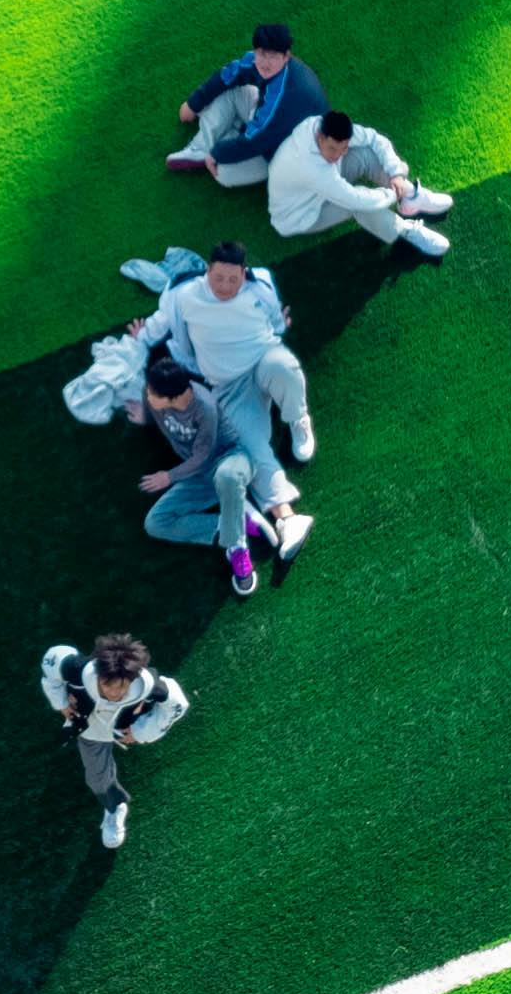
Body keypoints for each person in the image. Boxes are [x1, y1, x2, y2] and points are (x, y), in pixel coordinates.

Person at [134, 354, 305, 595]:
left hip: (231, 460)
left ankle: (237, 547)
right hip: (199, 476)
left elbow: (202, 456)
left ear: (171, 397)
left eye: (153, 394)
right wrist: (144, 414)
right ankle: (236, 520)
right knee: (155, 522)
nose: (148, 395)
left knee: (227, 477)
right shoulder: (154, 398)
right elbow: (195, 462)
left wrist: (169, 476)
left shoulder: (205, 408)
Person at [147, 240, 320, 468]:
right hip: (230, 383)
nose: (225, 287)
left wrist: (279, 325)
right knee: (246, 446)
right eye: (219, 278)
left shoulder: (260, 283)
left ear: (243, 273)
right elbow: (182, 342)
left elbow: (274, 320)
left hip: (262, 361)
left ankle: (298, 418)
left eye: (233, 280)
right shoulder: (182, 296)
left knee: (283, 366)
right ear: (208, 271)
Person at [40, 630, 188, 849]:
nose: (114, 694)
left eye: (122, 687)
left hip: (125, 725)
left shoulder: (148, 685)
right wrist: (61, 703)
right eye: (107, 685)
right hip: (91, 730)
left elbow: (177, 705)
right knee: (96, 779)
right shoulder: (77, 669)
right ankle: (115, 806)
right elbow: (51, 661)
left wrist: (142, 731)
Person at [266, 111, 455, 256]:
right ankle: (404, 231)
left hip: (318, 187)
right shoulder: (311, 168)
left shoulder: (323, 128)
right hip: (301, 214)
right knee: (359, 206)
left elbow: (373, 138)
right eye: (332, 148)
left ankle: (411, 195)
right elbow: (355, 199)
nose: (338, 155)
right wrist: (390, 194)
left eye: (344, 148)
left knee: (365, 154)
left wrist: (396, 174)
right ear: (319, 138)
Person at [168, 22, 331, 185]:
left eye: (273, 56)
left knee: (223, 173)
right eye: (261, 53)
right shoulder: (259, 62)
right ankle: (202, 148)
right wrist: (193, 104)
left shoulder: (286, 96)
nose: (265, 63)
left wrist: (218, 153)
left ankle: (221, 140)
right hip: (267, 122)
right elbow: (229, 75)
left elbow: (256, 141)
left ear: (286, 56)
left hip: (284, 150)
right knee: (231, 91)